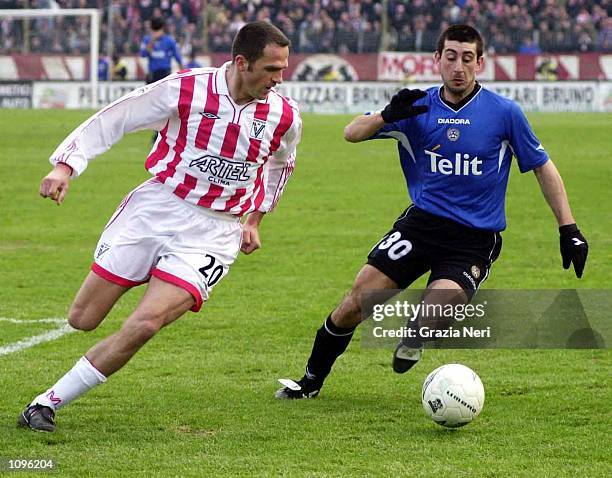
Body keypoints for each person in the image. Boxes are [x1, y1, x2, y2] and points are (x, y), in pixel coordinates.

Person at [276, 24, 588, 400]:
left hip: (473, 239)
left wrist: (568, 228)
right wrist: (387, 115)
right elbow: (351, 132)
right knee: (354, 304)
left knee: (431, 313)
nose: (459, 67)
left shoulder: (504, 113)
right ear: (437, 59)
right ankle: (309, 382)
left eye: (468, 58)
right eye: (451, 57)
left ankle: (418, 334)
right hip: (420, 227)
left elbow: (542, 166)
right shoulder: (416, 106)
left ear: (481, 63)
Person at [18, 21, 301, 432]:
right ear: (242, 63)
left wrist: (256, 217)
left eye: (283, 69)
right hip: (156, 209)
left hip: (215, 232)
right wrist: (66, 166)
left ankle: (47, 403)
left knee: (146, 323)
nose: (280, 79)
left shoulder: (284, 116)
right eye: (272, 69)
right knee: (83, 317)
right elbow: (116, 118)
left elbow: (281, 164)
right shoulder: (185, 89)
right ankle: (145, 267)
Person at [140, 16, 184, 84]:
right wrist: (152, 41)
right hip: (152, 74)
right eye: (154, 30)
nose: (156, 33)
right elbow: (143, 54)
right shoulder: (147, 40)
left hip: (165, 75)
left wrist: (184, 76)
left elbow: (178, 58)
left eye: (157, 30)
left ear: (162, 28)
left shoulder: (170, 41)